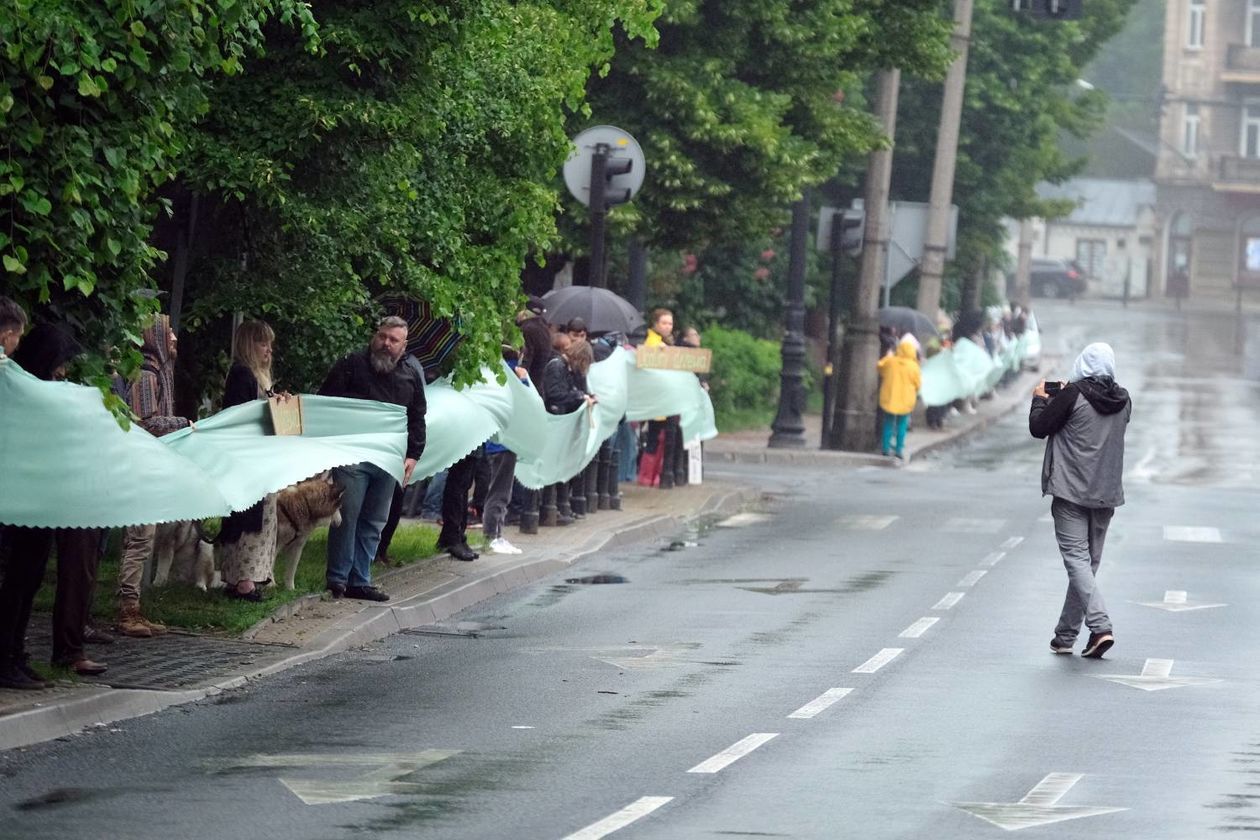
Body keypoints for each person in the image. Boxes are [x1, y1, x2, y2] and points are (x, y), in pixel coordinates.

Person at [1, 323, 108, 683]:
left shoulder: (34, 387)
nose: (63, 370)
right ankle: (6, 657)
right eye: (60, 362)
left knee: (27, 581)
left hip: (39, 501)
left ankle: (14, 654)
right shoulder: (23, 391)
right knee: (17, 581)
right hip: (25, 504)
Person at [1030, 342, 1131, 659]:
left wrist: (1040, 399)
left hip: (1071, 492)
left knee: (1077, 561)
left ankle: (1100, 627)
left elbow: (1039, 427)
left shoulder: (1072, 396)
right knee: (1085, 567)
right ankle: (1065, 636)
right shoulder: (1124, 400)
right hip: (1105, 495)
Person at [319, 316, 426, 600]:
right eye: (382, 336)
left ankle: (360, 580)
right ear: (374, 337)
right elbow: (325, 402)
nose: (386, 344)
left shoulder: (410, 374)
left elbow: (417, 417)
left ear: (404, 346)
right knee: (347, 518)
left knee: (374, 521)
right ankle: (338, 579)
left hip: (388, 459)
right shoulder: (351, 365)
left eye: (393, 340)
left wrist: (413, 455)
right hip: (353, 456)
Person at [116, 314, 189, 638]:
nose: (174, 337)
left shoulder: (160, 372)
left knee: (142, 539)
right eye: (168, 331)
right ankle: (127, 610)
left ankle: (131, 606)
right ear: (154, 336)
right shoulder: (147, 374)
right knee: (139, 539)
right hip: (140, 465)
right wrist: (184, 425)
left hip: (149, 464)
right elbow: (146, 422)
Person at [218, 320, 281, 602]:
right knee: (248, 519)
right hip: (248, 459)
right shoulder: (243, 374)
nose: (268, 349)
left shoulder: (256, 376)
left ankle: (245, 577)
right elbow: (241, 417)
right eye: (262, 343)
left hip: (257, 457)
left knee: (256, 518)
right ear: (249, 345)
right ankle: (244, 580)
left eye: (270, 343)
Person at [484, 349, 528, 555]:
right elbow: (526, 403)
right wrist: (525, 380)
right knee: (500, 492)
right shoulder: (512, 377)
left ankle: (496, 534)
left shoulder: (494, 375)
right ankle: (492, 535)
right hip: (506, 443)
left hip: (497, 442)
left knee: (500, 490)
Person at [876, 337, 921, 460]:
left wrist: (888, 356)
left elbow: (880, 367)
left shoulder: (891, 362)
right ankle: (899, 449)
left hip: (890, 397)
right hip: (906, 400)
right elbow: (918, 384)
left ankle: (885, 448)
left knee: (888, 423)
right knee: (902, 424)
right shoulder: (914, 366)